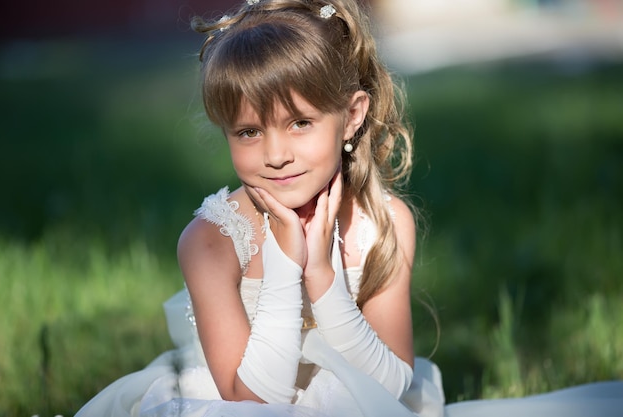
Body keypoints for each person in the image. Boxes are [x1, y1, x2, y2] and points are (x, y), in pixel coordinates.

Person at [76, 1, 623, 416]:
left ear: (353, 115)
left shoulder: (383, 225)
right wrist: (286, 264)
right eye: (248, 131)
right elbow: (247, 400)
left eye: (300, 123)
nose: (275, 154)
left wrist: (322, 277)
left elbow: (390, 387)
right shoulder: (212, 241)